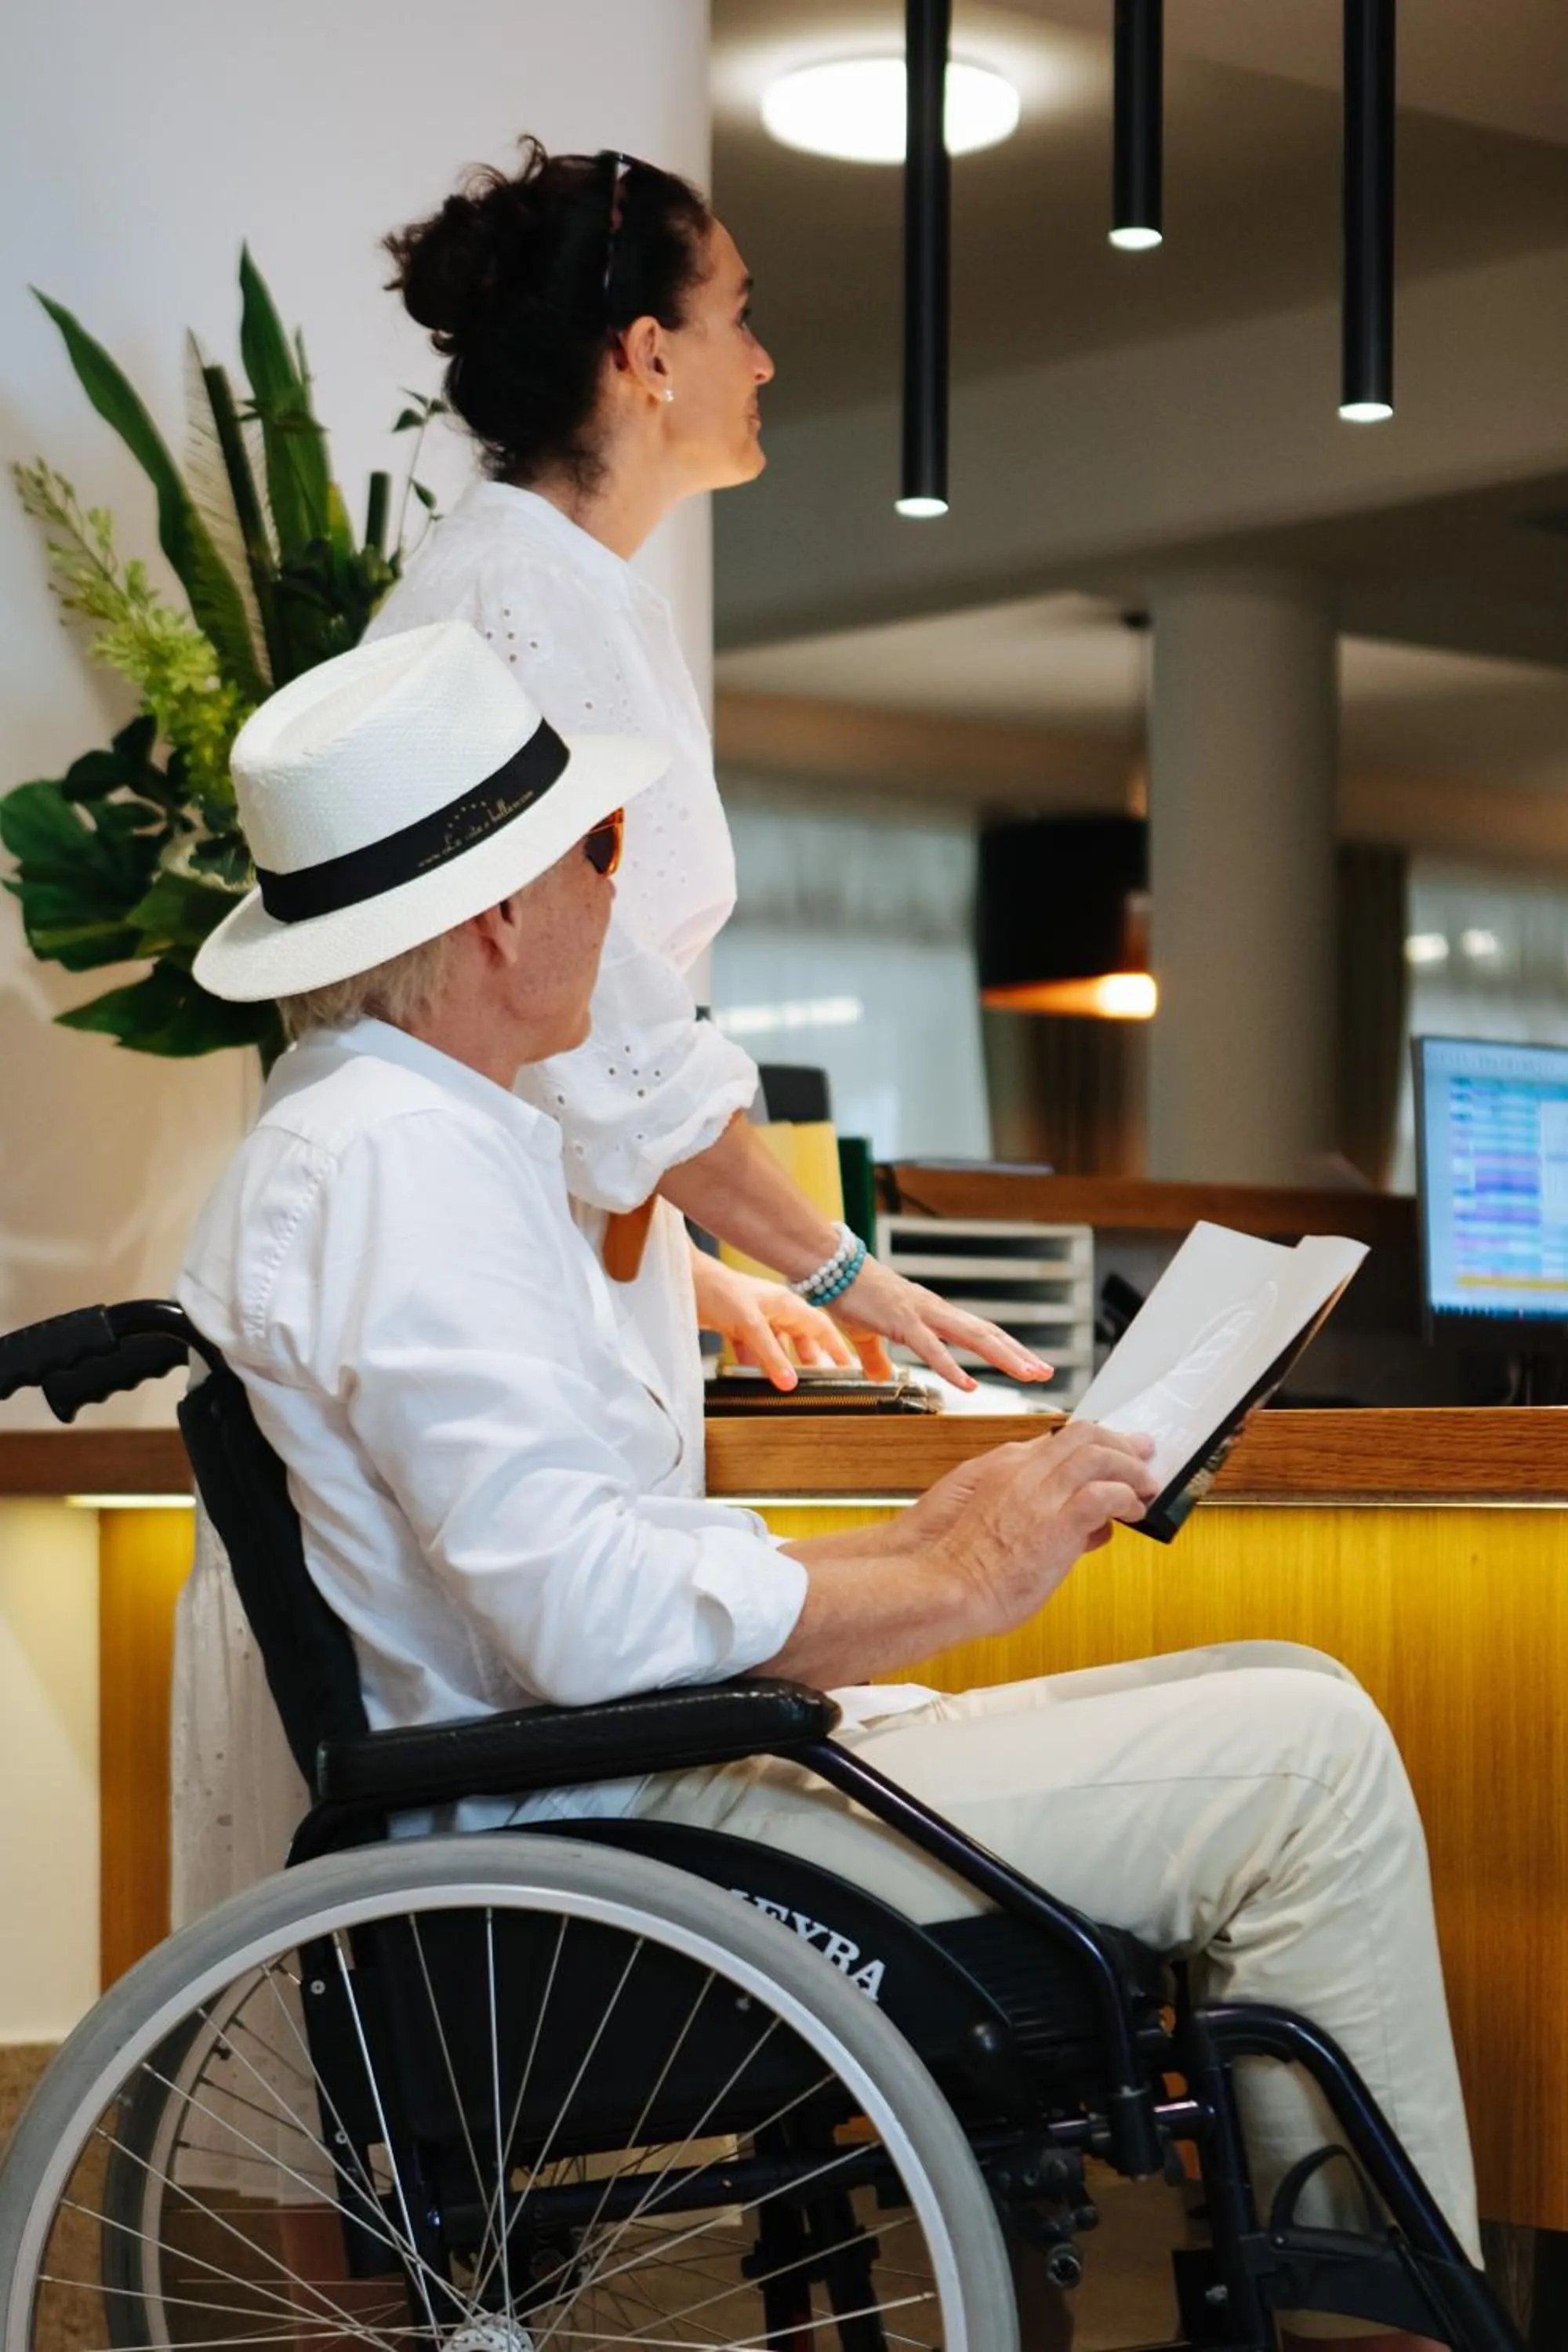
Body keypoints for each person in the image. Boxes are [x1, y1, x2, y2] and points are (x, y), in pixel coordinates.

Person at [182, 622, 1477, 2350]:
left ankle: (1351, 2293)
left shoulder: (381, 1134)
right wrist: (952, 1581)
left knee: (1285, 1694)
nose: (617, 904)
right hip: (607, 1857)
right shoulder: (404, 1167)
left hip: (603, 1809)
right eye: (604, 851)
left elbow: (565, 1564)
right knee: (1309, 1753)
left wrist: (919, 1534)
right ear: (497, 912)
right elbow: (578, 1616)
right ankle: (1376, 2318)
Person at [368, 139, 1052, 1471]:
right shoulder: (519, 596)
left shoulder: (577, 588)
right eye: (739, 317)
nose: (764, 361)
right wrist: (847, 1272)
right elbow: (599, 1030)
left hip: (573, 1271)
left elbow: (585, 1065)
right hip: (489, 1296)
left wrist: (696, 1273)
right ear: (646, 354)